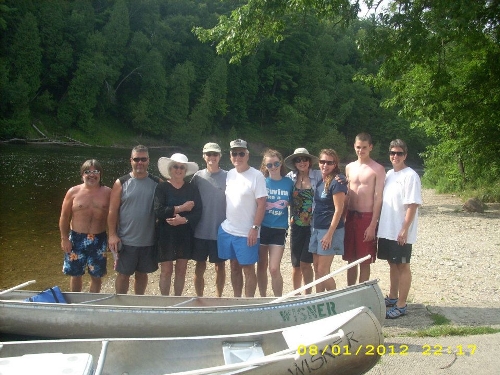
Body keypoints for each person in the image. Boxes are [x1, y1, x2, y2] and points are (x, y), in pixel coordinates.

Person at [377, 139, 422, 319]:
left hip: (400, 231)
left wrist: (404, 229)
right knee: (392, 263)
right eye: (392, 153)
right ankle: (393, 296)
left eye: (399, 153)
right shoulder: (389, 174)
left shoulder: (410, 176)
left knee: (403, 265)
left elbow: (412, 205)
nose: (395, 156)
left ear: (405, 155)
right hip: (387, 228)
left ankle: (402, 305)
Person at [217, 139, 267, 297]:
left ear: (247, 155)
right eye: (234, 153)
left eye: (241, 153)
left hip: (247, 233)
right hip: (228, 230)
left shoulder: (257, 176)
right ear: (230, 155)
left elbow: (262, 204)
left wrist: (255, 228)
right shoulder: (230, 174)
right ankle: (237, 300)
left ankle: (248, 303)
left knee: (248, 269)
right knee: (234, 266)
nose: (237, 156)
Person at [108, 145, 160, 295]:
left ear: (148, 161)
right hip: (126, 240)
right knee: (123, 275)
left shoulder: (157, 183)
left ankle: (138, 301)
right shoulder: (121, 183)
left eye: (143, 159)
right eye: (137, 159)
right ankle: (121, 303)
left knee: (142, 274)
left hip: (148, 240)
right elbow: (112, 211)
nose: (140, 163)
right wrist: (112, 235)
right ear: (131, 160)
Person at [59, 160, 111, 293]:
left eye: (95, 171)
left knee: (96, 276)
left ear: (100, 174)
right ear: (82, 174)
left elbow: (115, 217)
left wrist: (112, 236)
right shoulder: (73, 192)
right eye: (88, 172)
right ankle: (76, 302)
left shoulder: (108, 193)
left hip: (99, 239)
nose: (91, 175)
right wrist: (64, 238)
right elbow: (64, 217)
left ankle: (92, 302)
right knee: (75, 274)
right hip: (76, 239)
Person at [155, 153, 202, 296]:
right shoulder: (162, 188)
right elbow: (158, 211)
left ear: (185, 170)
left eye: (182, 167)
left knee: (181, 270)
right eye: (175, 166)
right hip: (165, 234)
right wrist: (181, 208)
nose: (178, 169)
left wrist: (184, 220)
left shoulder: (192, 188)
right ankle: (164, 301)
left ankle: (177, 300)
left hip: (185, 234)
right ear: (170, 169)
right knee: (166, 270)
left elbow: (198, 212)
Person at [343, 133, 386, 285]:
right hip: (350, 215)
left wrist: (373, 224)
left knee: (364, 259)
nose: (361, 150)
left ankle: (361, 292)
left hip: (366, 217)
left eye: (364, 147)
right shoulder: (349, 167)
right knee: (350, 258)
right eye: (358, 147)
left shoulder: (378, 169)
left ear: (371, 147)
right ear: (354, 147)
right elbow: (346, 194)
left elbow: (378, 197)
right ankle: (349, 291)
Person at [190, 143, 227, 297]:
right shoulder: (197, 177)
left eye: (215, 154)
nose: (212, 157)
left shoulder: (228, 175)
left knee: (220, 266)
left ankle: (218, 297)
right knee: (199, 265)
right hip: (200, 230)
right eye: (209, 154)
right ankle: (199, 297)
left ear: (220, 156)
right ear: (204, 156)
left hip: (221, 231)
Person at [309, 149, 347, 292]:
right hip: (316, 228)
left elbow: (339, 210)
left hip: (329, 230)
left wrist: (329, 234)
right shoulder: (321, 181)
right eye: (322, 162)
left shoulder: (337, 182)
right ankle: (318, 299)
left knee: (323, 270)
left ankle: (334, 298)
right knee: (317, 269)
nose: (325, 165)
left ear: (335, 164)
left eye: (329, 162)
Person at [284, 148, 322, 295]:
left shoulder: (318, 175)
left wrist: (341, 178)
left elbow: (333, 178)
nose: (302, 162)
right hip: (296, 225)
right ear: (294, 163)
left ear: (309, 161)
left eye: (304, 159)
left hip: (312, 227)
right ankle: (296, 295)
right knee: (296, 265)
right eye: (298, 160)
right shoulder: (290, 177)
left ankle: (307, 295)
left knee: (306, 262)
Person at [257, 149, 293, 297]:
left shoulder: (289, 183)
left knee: (273, 268)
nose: (273, 167)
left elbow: (295, 203)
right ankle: (263, 298)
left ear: (281, 163)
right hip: (262, 227)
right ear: (265, 166)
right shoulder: (261, 182)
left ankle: (279, 299)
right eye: (269, 165)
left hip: (279, 228)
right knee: (261, 266)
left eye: (276, 163)